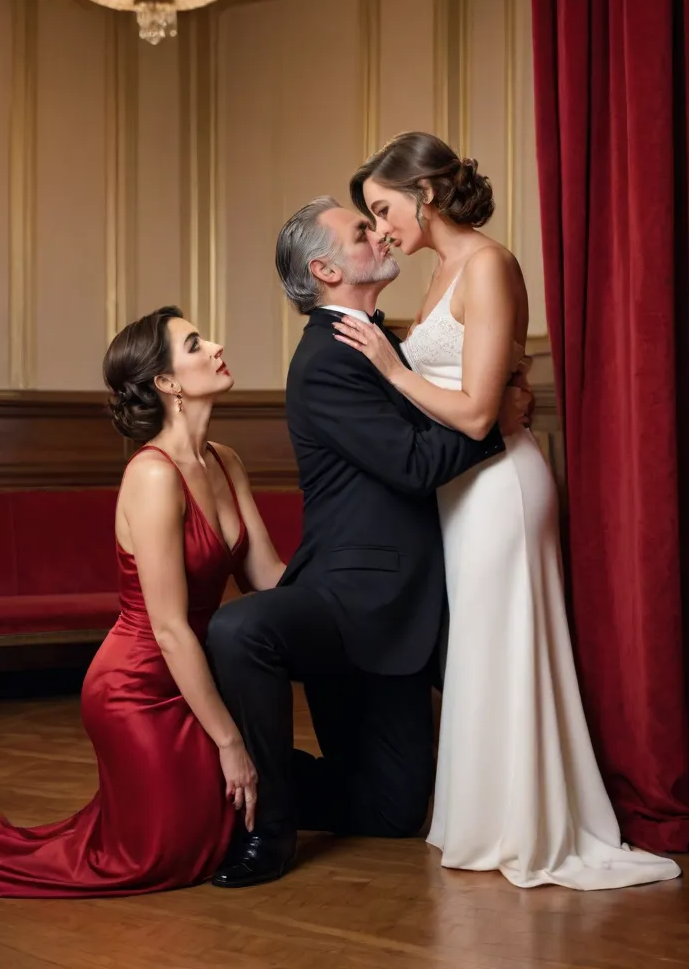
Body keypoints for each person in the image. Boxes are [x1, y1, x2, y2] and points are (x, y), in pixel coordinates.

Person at [339, 131, 682, 890]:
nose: (381, 227)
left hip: (500, 486)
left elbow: (473, 413)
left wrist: (391, 368)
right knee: (481, 652)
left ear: (423, 196)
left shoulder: (489, 264)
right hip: (458, 492)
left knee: (507, 646)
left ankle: (527, 824)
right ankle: (487, 819)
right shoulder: (438, 274)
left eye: (385, 208)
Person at [0, 306, 286, 897]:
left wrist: (354, 582)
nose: (216, 346)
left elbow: (268, 575)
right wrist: (230, 743)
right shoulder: (151, 475)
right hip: (137, 687)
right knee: (149, 862)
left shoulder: (225, 461)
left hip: (199, 681)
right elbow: (170, 629)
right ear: (167, 383)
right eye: (195, 343)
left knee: (207, 843)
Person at [206, 197, 529, 889]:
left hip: (403, 612)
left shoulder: (379, 342)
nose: (380, 232)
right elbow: (414, 466)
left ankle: (204, 777)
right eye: (361, 230)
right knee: (240, 629)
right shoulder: (327, 359)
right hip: (346, 603)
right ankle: (269, 826)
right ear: (325, 268)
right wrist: (495, 420)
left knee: (391, 812)